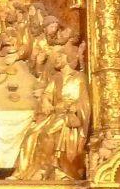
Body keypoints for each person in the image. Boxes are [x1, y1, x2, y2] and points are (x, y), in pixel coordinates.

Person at [11, 50, 90, 180]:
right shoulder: (56, 78)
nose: (56, 59)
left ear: (69, 58)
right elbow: (47, 93)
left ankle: (46, 169)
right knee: (31, 135)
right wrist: (46, 101)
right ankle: (24, 172)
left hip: (68, 115)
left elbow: (84, 101)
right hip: (54, 114)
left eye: (60, 55)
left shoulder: (79, 77)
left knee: (47, 133)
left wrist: (74, 107)